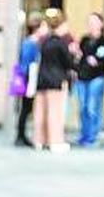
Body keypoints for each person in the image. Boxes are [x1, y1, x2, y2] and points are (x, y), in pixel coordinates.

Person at [32, 11, 77, 153]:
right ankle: (55, 142)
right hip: (56, 80)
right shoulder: (60, 43)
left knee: (41, 112)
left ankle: (39, 140)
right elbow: (68, 62)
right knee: (55, 112)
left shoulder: (44, 42)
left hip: (42, 80)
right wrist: (73, 54)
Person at [73, 13, 104, 147]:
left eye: (94, 22)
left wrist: (99, 61)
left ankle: (92, 136)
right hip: (82, 77)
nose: (91, 25)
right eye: (89, 22)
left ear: (101, 24)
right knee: (83, 107)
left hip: (96, 78)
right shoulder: (84, 39)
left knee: (92, 107)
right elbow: (79, 57)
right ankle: (84, 134)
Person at [14, 14, 45, 147]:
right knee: (26, 108)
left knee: (26, 108)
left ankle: (21, 135)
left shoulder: (33, 42)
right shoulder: (30, 43)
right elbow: (26, 63)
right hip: (28, 78)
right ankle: (20, 135)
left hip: (29, 76)